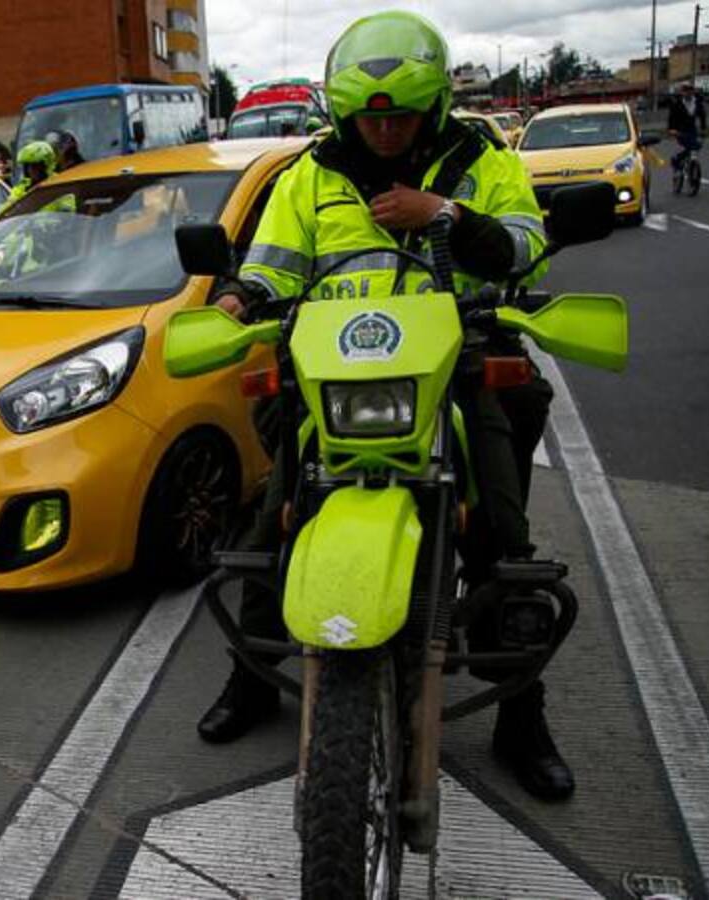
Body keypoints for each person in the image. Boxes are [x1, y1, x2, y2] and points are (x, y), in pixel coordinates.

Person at [198, 10, 573, 803]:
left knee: (503, 532)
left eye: (402, 114)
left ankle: (522, 718)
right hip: (336, 377)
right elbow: (271, 266)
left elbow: (524, 244)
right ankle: (253, 677)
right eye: (372, 116)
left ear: (433, 106)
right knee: (273, 524)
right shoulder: (311, 175)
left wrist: (446, 217)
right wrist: (234, 301)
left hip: (454, 365)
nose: (387, 129)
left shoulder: (480, 160)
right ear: (346, 114)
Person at [0, 140, 57, 213]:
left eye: (36, 166)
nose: (31, 170)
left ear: (46, 165)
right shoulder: (22, 188)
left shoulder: (59, 184)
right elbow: (6, 210)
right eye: (28, 166)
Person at [668, 82, 707, 171]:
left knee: (696, 145)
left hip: (692, 129)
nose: (687, 92)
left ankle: (693, 167)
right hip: (680, 130)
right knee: (684, 148)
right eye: (685, 90)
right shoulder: (677, 103)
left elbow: (702, 116)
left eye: (689, 90)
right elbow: (672, 117)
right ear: (682, 92)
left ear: (692, 91)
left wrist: (703, 128)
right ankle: (676, 160)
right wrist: (671, 129)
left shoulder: (697, 102)